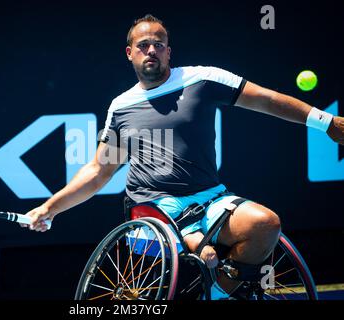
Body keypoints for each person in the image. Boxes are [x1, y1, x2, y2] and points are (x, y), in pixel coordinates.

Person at [23, 14, 344, 299]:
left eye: (159, 44)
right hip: (153, 207)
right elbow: (98, 172)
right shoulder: (121, 107)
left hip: (210, 199)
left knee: (265, 224)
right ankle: (197, 249)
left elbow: (267, 100)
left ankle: (216, 294)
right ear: (130, 53)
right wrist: (50, 209)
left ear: (168, 51)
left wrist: (325, 121)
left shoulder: (202, 79)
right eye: (144, 44)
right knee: (202, 254)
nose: (152, 50)